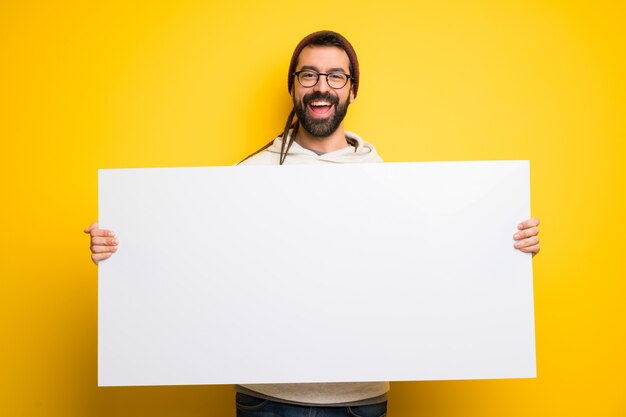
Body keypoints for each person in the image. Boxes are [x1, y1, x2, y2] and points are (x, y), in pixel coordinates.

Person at [85, 30, 541, 417]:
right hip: (268, 398)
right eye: (309, 74)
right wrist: (122, 252)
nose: (322, 86)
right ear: (293, 86)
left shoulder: (389, 181)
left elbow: (437, 264)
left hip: (360, 399)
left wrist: (507, 246)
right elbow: (196, 266)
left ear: (352, 89)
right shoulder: (249, 177)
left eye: (335, 76)